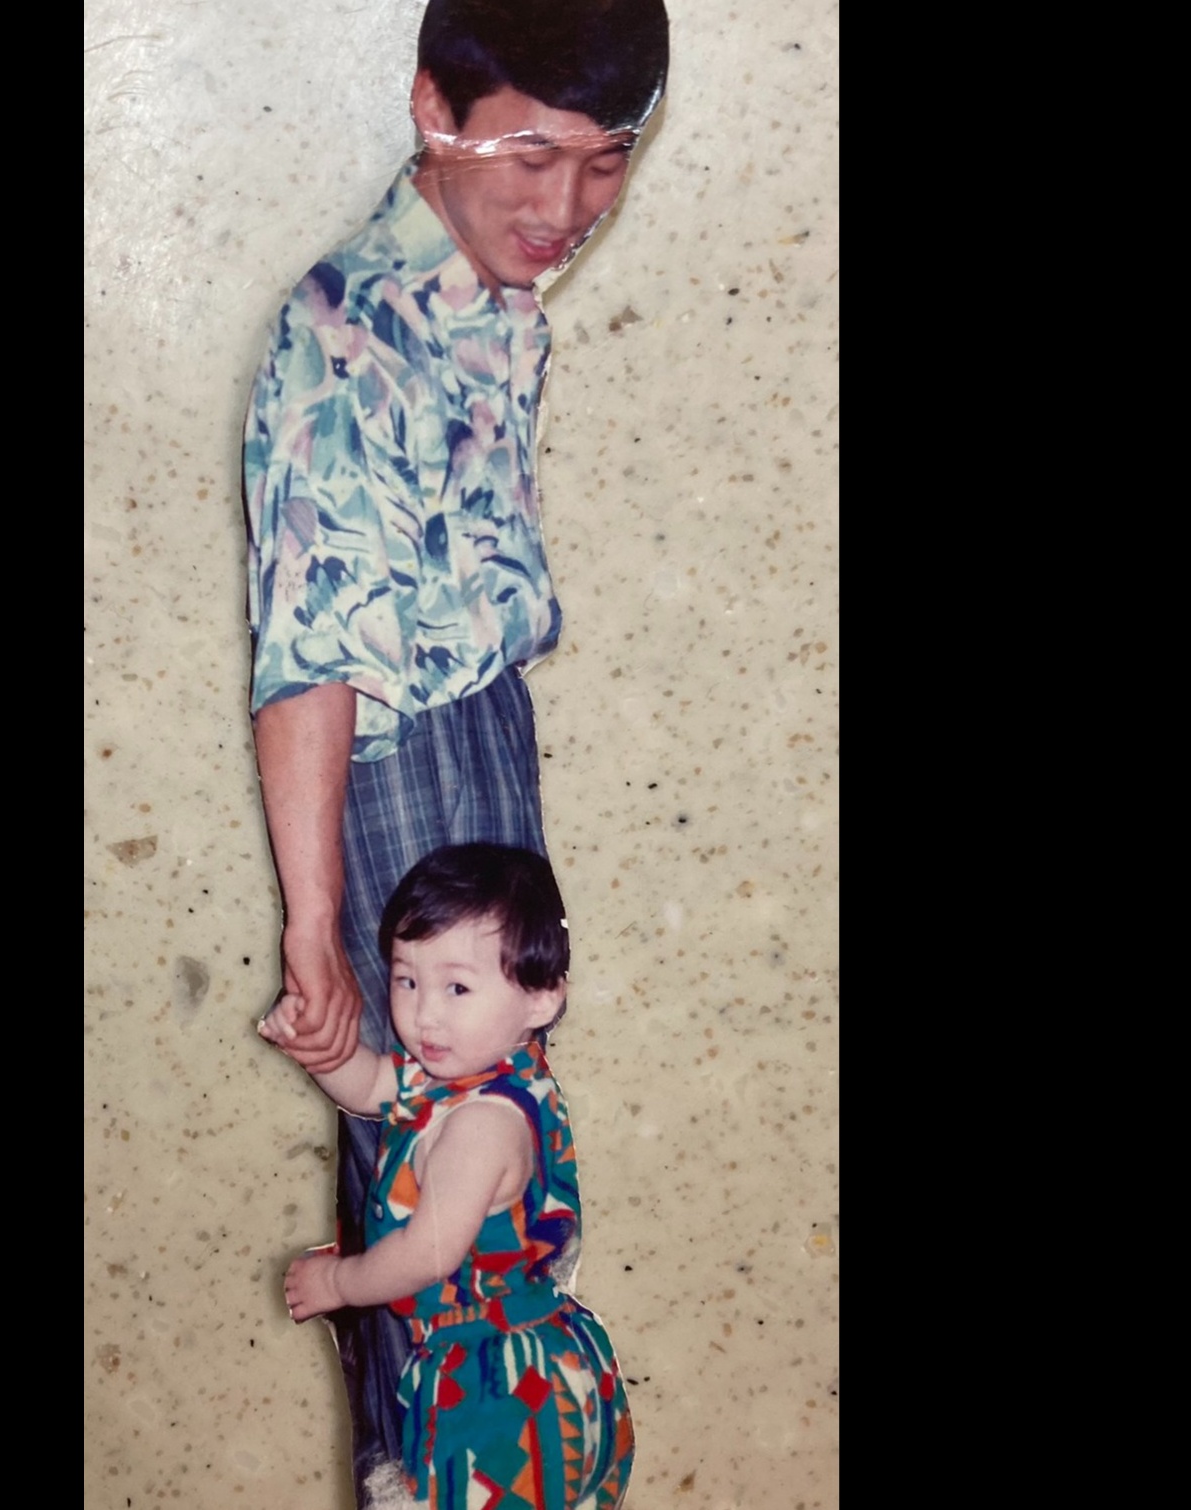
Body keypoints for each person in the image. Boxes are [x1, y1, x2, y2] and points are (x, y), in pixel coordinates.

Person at [242, 0, 669, 1496]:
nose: (566, 205)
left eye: (606, 160)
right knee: (427, 1181)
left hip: (483, 739)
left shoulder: (487, 292)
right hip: (395, 770)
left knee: (485, 1160)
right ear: (434, 108)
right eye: (532, 155)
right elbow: (309, 659)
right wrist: (317, 926)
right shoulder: (346, 328)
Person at [260, 844, 633, 1508]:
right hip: (517, 1368)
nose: (425, 1013)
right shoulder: (469, 1077)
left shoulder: (482, 1124)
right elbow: (367, 1085)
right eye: (407, 980)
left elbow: (426, 1255)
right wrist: (312, 1045)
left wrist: (338, 1282)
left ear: (542, 997)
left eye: (457, 987)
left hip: (505, 1393)